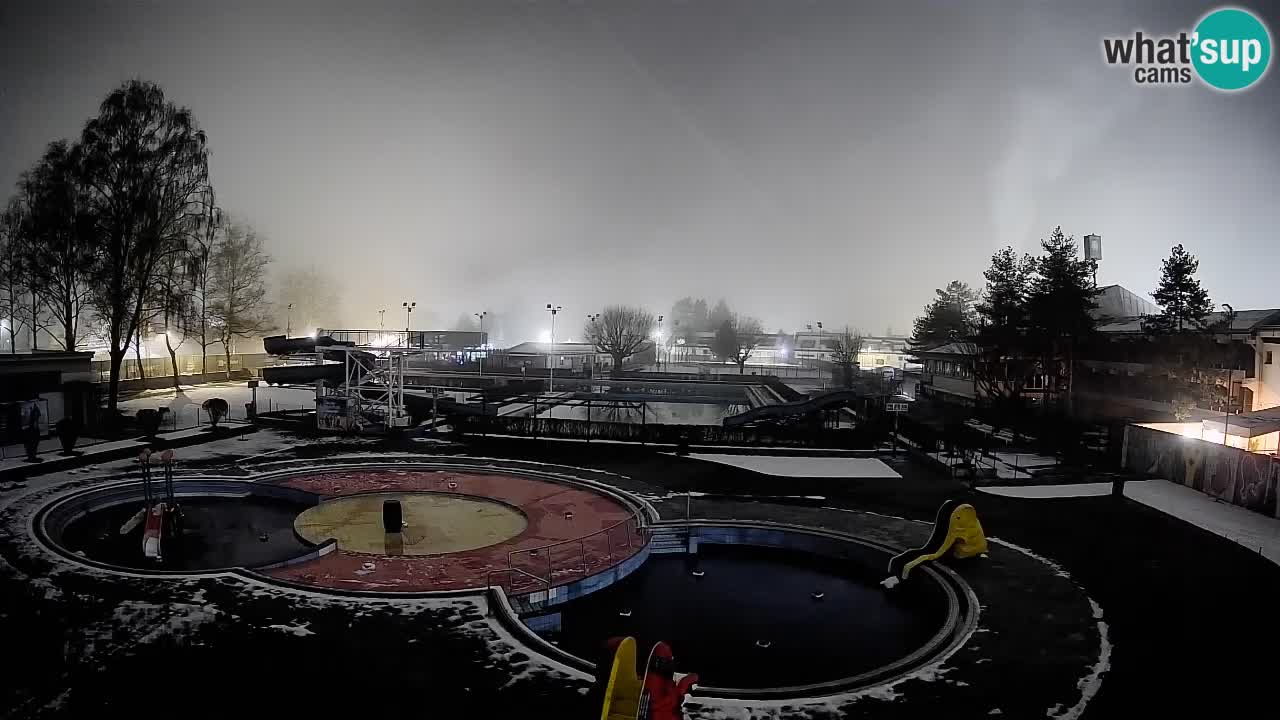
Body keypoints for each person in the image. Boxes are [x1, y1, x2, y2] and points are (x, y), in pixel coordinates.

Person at [642, 642, 698, 720]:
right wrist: (687, 680)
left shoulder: (652, 678)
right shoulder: (656, 681)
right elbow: (671, 700)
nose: (672, 660)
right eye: (670, 659)